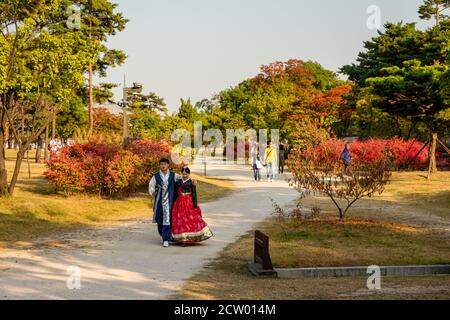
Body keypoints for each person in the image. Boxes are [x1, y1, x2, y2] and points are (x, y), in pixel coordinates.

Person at [171, 167, 213, 245]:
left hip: (188, 202)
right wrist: (173, 203)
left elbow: (194, 193)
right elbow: (175, 193)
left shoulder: (191, 182)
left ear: (188, 174)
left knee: (190, 219)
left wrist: (195, 204)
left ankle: (191, 237)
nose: (184, 175)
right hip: (179, 203)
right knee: (180, 219)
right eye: (183, 174)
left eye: (186, 174)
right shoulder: (178, 182)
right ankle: (182, 238)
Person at [148, 158, 183, 247]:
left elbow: (182, 179)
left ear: (168, 165)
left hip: (170, 200)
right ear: (159, 165)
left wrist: (191, 181)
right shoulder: (156, 176)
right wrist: (152, 192)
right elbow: (151, 185)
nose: (163, 166)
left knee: (167, 218)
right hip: (160, 200)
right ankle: (163, 234)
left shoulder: (173, 175)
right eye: (161, 164)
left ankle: (166, 239)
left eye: (165, 164)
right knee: (160, 218)